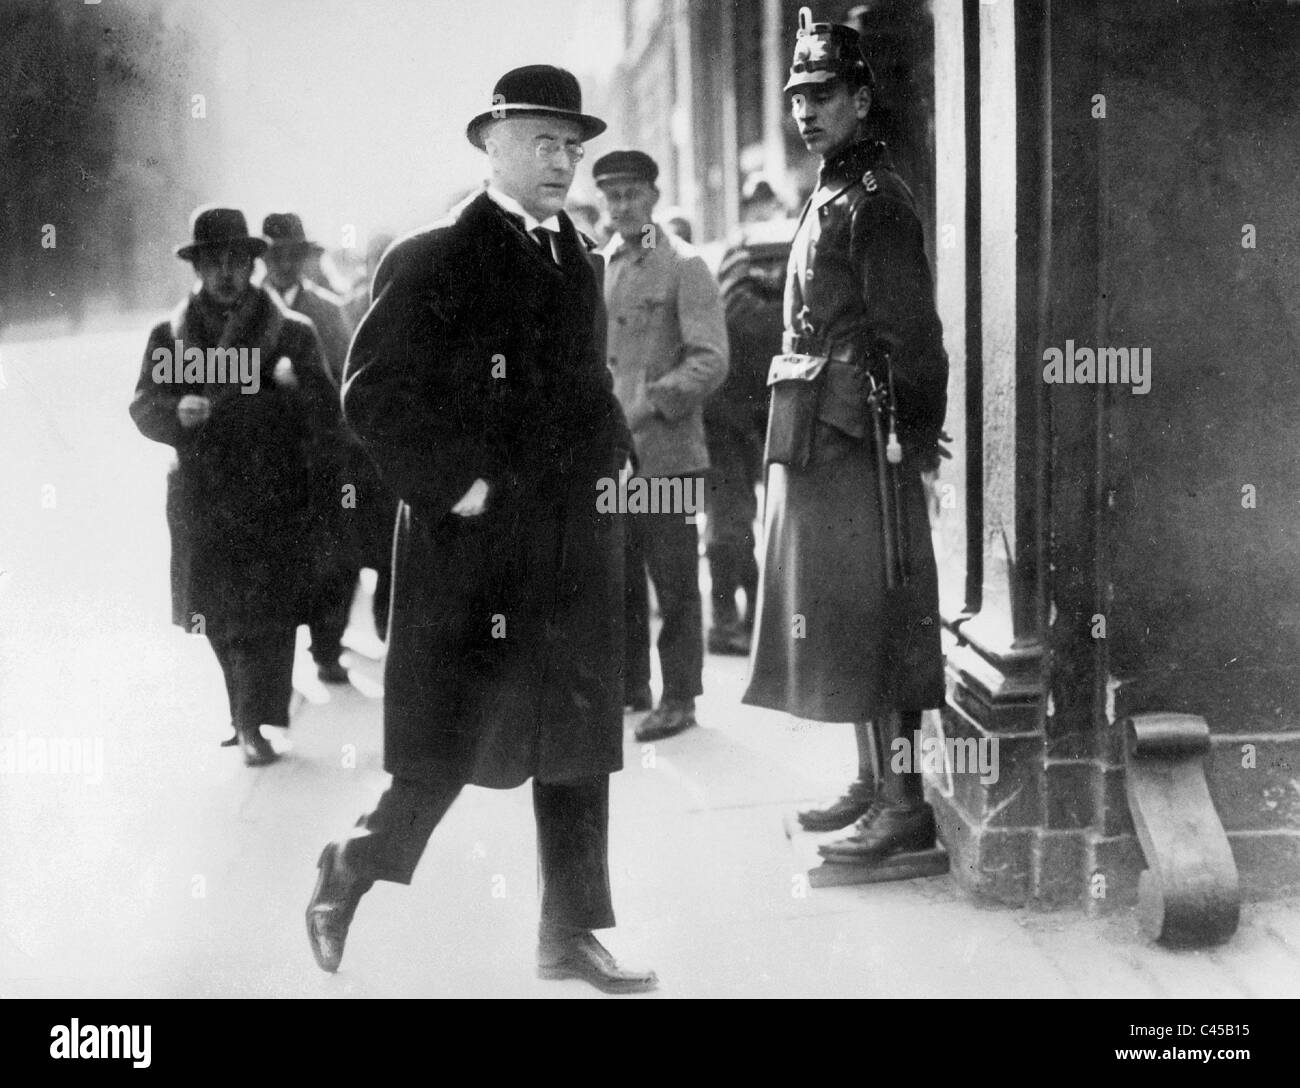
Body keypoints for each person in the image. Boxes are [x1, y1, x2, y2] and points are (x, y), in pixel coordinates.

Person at [305, 65, 657, 993]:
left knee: (579, 742)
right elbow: (371, 394)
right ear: (490, 144)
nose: (562, 161)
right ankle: (351, 869)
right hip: (476, 550)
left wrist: (619, 455)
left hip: (573, 541)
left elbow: (587, 382)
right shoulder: (433, 256)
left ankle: (568, 935)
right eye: (543, 141)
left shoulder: (576, 252)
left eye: (571, 146)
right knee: (451, 742)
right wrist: (453, 485)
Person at [742, 12, 949, 866]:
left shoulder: (878, 201)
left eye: (822, 94)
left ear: (862, 99)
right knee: (846, 616)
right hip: (825, 437)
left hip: (868, 442)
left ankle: (904, 802)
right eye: (797, 95)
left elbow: (914, 339)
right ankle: (872, 782)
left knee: (883, 615)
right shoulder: (829, 190)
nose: (804, 109)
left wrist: (913, 439)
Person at [129, 206, 341, 766]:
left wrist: (291, 392)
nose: (226, 272)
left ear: (254, 263)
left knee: (270, 617)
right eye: (213, 261)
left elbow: (328, 414)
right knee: (218, 617)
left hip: (276, 495)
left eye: (238, 261)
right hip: (203, 498)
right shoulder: (169, 335)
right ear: (196, 267)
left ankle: (254, 721)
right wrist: (177, 410)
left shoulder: (292, 332)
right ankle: (244, 713)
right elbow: (143, 404)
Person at [594, 149, 728, 742]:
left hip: (666, 455)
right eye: (612, 196)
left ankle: (679, 697)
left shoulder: (684, 265)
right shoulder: (600, 266)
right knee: (617, 579)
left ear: (653, 195)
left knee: (672, 582)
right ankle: (630, 687)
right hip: (613, 459)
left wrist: (650, 405)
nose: (622, 206)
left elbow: (711, 360)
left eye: (632, 194)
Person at [259, 212, 364, 683]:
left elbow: (348, 379)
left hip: (320, 453)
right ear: (261, 257)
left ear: (303, 257)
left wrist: (305, 389)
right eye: (275, 254)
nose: (284, 263)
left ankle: (327, 647)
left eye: (292, 255)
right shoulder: (244, 309)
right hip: (262, 461)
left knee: (334, 558)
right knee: (271, 562)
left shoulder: (326, 309)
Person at [704, 190, 796, 656]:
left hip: (762, 405)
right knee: (734, 522)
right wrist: (796, 318)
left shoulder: (762, 249)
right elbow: (738, 314)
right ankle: (729, 621)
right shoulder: (746, 254)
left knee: (767, 520)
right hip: (732, 406)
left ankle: (757, 618)